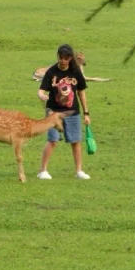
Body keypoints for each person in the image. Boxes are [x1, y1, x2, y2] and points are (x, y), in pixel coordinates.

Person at [37, 44, 92, 181]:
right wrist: (41, 95)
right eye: (61, 58)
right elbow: (41, 89)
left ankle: (79, 171)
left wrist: (86, 113)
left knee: (76, 141)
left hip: (72, 112)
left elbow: (81, 93)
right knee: (53, 140)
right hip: (53, 113)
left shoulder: (75, 72)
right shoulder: (51, 72)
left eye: (66, 58)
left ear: (70, 58)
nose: (63, 61)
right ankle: (43, 170)